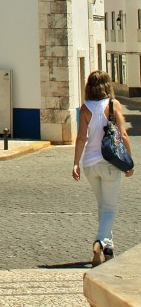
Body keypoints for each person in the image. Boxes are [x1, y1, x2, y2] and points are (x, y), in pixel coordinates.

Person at [72, 70, 134, 266]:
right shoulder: (113, 105)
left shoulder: (85, 108)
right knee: (109, 208)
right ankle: (99, 241)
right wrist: (129, 161)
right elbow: (123, 134)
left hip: (90, 164)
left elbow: (81, 137)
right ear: (107, 85)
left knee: (102, 206)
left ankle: (108, 249)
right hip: (109, 163)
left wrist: (75, 162)